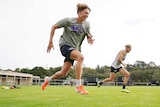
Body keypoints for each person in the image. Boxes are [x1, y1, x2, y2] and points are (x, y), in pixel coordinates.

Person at [42, 3, 94, 95]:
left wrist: (89, 38)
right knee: (81, 57)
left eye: (88, 14)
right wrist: (50, 41)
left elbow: (88, 35)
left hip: (75, 49)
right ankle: (78, 86)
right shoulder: (68, 21)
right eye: (85, 13)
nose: (87, 15)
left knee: (63, 73)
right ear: (79, 12)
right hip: (65, 46)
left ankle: (48, 79)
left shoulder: (87, 24)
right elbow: (54, 26)